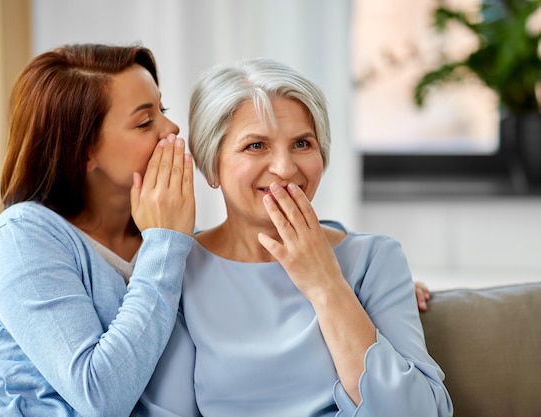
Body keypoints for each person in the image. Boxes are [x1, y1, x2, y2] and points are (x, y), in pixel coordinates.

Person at [133, 58, 453, 417]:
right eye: (256, 146)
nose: (285, 169)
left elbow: (421, 412)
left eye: (302, 143)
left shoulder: (375, 259)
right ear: (211, 165)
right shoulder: (178, 270)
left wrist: (326, 284)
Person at [0, 44, 195, 417]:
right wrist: (166, 243)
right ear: (84, 151)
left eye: (162, 111)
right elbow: (100, 397)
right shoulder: (22, 236)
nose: (172, 129)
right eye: (144, 121)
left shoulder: (168, 238)